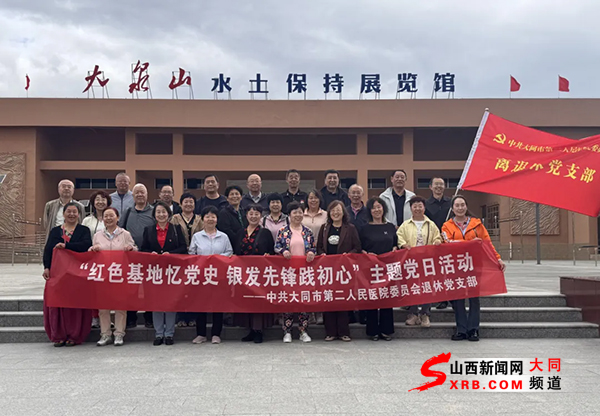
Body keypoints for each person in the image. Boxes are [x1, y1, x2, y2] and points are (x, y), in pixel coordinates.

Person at [442, 195, 506, 342]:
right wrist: (470, 243)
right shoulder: (446, 226)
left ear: (466, 206)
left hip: (474, 264)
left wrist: (497, 258)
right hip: (457, 265)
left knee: (474, 298)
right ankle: (461, 329)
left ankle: (473, 329)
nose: (460, 208)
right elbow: (447, 243)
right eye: (457, 205)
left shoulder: (477, 224)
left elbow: (487, 243)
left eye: (462, 205)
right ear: (452, 208)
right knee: (458, 298)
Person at [42, 202, 92, 347]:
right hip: (58, 273)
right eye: (68, 211)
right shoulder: (55, 231)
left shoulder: (84, 230)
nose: (71, 214)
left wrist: (67, 246)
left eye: (74, 212)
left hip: (77, 274)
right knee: (57, 302)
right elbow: (48, 249)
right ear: (63, 214)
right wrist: (46, 267)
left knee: (74, 304)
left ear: (79, 214)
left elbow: (86, 245)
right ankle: (58, 335)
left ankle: (74, 335)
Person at [140, 201, 187, 346]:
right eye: (158, 212)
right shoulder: (148, 230)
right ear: (154, 215)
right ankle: (159, 333)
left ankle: (169, 334)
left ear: (169, 214)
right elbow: (143, 249)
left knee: (170, 302)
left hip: (172, 271)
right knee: (157, 303)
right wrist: (151, 254)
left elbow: (183, 248)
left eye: (164, 212)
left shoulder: (176, 229)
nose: (161, 215)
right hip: (155, 272)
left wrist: (170, 254)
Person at [89, 207, 137, 347]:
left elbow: (135, 250)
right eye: (106, 216)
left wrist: (131, 249)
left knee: (120, 306)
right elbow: (91, 253)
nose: (108, 218)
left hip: (119, 275)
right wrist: (92, 250)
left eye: (111, 216)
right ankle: (105, 334)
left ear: (118, 218)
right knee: (103, 307)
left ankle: (119, 334)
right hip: (103, 275)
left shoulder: (125, 234)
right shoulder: (97, 235)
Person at [316, 200, 361, 342]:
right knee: (328, 299)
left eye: (338, 210)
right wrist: (322, 254)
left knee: (342, 300)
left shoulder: (350, 228)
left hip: (344, 271)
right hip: (328, 270)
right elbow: (319, 247)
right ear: (329, 213)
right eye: (333, 210)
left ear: (343, 212)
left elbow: (357, 248)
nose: (336, 213)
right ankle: (330, 332)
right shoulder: (324, 228)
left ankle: (343, 332)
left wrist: (348, 255)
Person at [189, 206, 233, 344]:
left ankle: (216, 334)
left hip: (219, 276)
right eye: (207, 216)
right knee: (200, 304)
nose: (210, 219)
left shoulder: (223, 236)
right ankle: (201, 334)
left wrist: (217, 258)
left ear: (217, 219)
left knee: (217, 305)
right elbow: (191, 254)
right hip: (201, 276)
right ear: (202, 219)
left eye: (213, 216)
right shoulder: (197, 236)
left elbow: (229, 252)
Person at [396, 196, 442, 328]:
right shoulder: (406, 225)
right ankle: (413, 313)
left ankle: (425, 314)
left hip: (427, 261)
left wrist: (437, 241)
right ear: (411, 208)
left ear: (424, 208)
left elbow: (437, 237)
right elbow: (399, 236)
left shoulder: (431, 224)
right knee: (413, 287)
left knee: (427, 287)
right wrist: (403, 244)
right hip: (411, 261)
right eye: (414, 206)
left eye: (420, 206)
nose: (417, 209)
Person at [274, 201, 315, 343]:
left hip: (304, 272)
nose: (297, 215)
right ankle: (287, 331)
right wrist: (283, 251)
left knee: (304, 301)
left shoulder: (308, 231)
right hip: (288, 272)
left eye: (300, 212)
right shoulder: (283, 231)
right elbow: (276, 246)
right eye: (294, 212)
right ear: (289, 215)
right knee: (288, 301)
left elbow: (313, 247)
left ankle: (303, 330)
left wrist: (311, 253)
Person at [234, 204, 275, 343]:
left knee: (258, 300)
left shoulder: (265, 233)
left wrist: (268, 255)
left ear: (261, 216)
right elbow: (236, 251)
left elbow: (272, 251)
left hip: (260, 273)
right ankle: (250, 329)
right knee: (247, 300)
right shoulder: (240, 232)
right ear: (246, 216)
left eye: (256, 214)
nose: (253, 217)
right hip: (244, 273)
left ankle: (259, 330)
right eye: (251, 214)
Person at [360, 197, 398, 341]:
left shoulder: (390, 227)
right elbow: (359, 247)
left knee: (387, 298)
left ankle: (386, 330)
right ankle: (372, 331)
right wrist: (366, 254)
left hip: (388, 268)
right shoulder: (364, 228)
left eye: (379, 207)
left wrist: (394, 249)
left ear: (384, 209)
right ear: (370, 211)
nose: (377, 210)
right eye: (374, 208)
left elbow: (396, 244)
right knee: (372, 297)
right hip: (370, 268)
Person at [119, 183, 155, 328]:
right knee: (131, 288)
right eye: (137, 193)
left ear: (147, 194)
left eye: (142, 192)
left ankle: (149, 318)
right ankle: (131, 318)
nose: (140, 195)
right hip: (131, 256)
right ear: (132, 195)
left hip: (148, 255)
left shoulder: (154, 211)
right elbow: (120, 231)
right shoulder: (128, 212)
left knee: (149, 288)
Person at [171, 192, 203, 327]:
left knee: (194, 289)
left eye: (191, 202)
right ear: (181, 204)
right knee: (180, 289)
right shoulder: (174, 219)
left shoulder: (200, 219)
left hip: (196, 259)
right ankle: (181, 317)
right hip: (179, 258)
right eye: (186, 202)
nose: (188, 204)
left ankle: (193, 317)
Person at [82, 190, 112, 329]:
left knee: (107, 290)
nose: (100, 202)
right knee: (93, 290)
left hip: (109, 260)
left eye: (103, 199)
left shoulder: (112, 218)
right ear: (93, 203)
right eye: (97, 199)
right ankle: (94, 317)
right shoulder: (87, 220)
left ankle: (107, 317)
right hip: (92, 259)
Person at [424, 177, 452, 310]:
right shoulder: (426, 204)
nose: (439, 187)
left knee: (449, 270)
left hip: (449, 241)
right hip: (433, 242)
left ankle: (451, 298)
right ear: (430, 187)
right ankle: (439, 298)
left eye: (441, 184)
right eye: (436, 184)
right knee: (436, 271)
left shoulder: (451, 202)